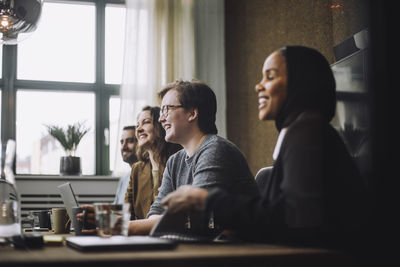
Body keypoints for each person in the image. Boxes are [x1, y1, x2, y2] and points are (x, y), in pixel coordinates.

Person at [161, 46, 368, 248]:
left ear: (299, 83)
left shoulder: (307, 131)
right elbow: (284, 219)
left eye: (270, 76)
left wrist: (207, 200)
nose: (258, 86)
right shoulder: (300, 129)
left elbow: (293, 219)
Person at [127, 80, 259, 235]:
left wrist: (112, 226)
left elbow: (192, 218)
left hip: (238, 253)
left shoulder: (215, 150)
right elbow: (157, 213)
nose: (161, 119)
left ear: (192, 114)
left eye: (167, 109)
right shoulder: (174, 161)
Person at [124, 105, 181, 219]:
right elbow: (125, 211)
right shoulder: (137, 169)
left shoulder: (177, 163)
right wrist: (96, 215)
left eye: (146, 122)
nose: (139, 129)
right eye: (137, 125)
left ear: (160, 126)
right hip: (143, 234)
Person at [113, 125, 138, 204]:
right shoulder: (124, 179)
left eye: (130, 141)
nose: (123, 146)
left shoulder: (149, 175)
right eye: (122, 142)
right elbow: (116, 210)